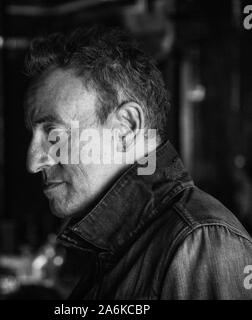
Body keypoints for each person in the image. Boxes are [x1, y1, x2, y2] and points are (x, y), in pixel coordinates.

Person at [24, 26, 252, 299]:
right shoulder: (117, 245)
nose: (34, 161)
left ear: (127, 127)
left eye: (53, 133)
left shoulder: (200, 242)